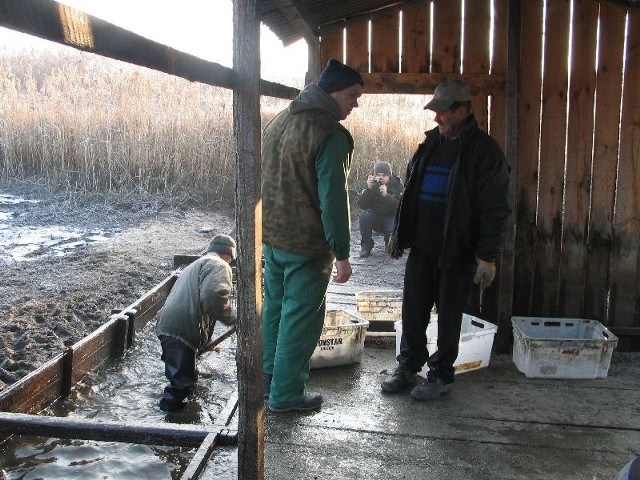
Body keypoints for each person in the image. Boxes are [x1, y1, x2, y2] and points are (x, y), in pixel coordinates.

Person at [382, 77, 511, 401]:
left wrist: (487, 256)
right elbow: (410, 190)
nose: (437, 118)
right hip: (423, 246)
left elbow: (496, 209)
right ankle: (409, 366)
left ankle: (440, 375)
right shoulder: (430, 143)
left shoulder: (485, 152)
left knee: (450, 316)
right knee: (413, 310)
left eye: (443, 112)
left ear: (462, 111)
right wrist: (400, 234)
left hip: (458, 251)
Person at [261, 58, 364, 413]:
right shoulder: (330, 134)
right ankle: (286, 396)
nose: (355, 103)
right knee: (300, 319)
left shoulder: (281, 120)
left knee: (274, 308)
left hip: (272, 238)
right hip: (306, 246)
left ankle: (268, 378)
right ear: (333, 92)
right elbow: (333, 199)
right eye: (352, 95)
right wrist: (343, 252)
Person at [156, 234, 237, 412]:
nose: (230, 263)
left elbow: (195, 301)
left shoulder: (197, 264)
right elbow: (213, 299)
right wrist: (235, 320)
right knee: (181, 385)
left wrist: (204, 342)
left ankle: (178, 416)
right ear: (228, 254)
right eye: (231, 259)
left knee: (184, 376)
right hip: (180, 329)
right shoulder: (220, 265)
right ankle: (171, 426)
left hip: (167, 326)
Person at [357, 161, 403, 257]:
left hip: (391, 219)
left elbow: (400, 208)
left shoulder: (398, 185)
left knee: (390, 247)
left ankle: (391, 244)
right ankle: (366, 246)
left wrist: (387, 196)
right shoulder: (373, 185)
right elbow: (362, 205)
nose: (381, 178)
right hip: (375, 218)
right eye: (378, 175)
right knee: (364, 215)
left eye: (384, 175)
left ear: (389, 176)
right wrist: (368, 190)